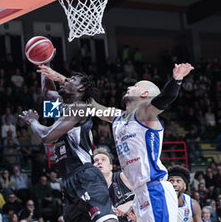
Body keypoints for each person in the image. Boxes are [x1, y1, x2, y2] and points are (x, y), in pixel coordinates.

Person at [38, 63, 194, 221]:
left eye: (135, 86)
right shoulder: (118, 117)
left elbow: (164, 100)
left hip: (155, 188)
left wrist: (176, 80)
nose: (129, 87)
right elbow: (90, 102)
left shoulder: (145, 114)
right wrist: (59, 77)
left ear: (145, 94)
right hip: (139, 192)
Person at [20, 67, 118, 222]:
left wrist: (32, 121)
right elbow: (46, 92)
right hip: (68, 180)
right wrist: (43, 62)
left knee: (105, 220)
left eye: (71, 80)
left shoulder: (80, 107)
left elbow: (46, 136)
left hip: (85, 174)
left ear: (81, 88)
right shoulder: (61, 104)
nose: (65, 80)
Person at [93, 147, 135, 222]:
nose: (99, 162)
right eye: (96, 161)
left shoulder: (122, 177)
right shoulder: (94, 192)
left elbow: (146, 195)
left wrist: (129, 204)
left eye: (103, 159)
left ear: (111, 167)